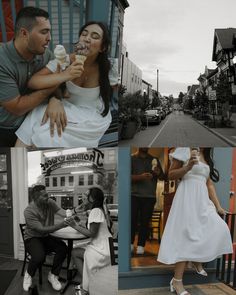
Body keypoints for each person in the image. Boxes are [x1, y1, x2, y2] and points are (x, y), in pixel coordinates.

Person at [15, 21, 118, 147]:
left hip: (92, 118)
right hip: (65, 108)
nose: (87, 39)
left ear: (103, 47)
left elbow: (114, 90)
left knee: (45, 129)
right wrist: (60, 86)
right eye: (84, 34)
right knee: (39, 116)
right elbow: (33, 82)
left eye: (95, 36)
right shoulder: (64, 60)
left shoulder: (109, 68)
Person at [157, 148, 233, 295]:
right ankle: (177, 282)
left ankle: (196, 260)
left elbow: (209, 184)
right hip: (186, 198)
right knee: (185, 237)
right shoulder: (184, 150)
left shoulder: (205, 154)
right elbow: (171, 175)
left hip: (202, 201)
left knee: (220, 227)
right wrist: (187, 167)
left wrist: (218, 206)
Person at [0, 6, 67, 147]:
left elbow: (59, 87)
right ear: (24, 33)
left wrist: (55, 99)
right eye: (44, 32)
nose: (49, 39)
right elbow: (17, 107)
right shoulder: (2, 60)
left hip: (34, 122)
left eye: (49, 32)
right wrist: (53, 85)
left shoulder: (46, 55)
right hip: (6, 128)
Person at [23, 184, 73, 292]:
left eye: (47, 194)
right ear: (36, 197)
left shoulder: (50, 202)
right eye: (45, 196)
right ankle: (29, 274)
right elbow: (41, 229)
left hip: (45, 237)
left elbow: (62, 213)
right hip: (32, 238)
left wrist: (75, 212)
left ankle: (53, 275)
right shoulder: (29, 211)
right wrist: (60, 225)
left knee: (63, 248)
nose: (48, 197)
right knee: (39, 256)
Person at [65, 187, 112, 295]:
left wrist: (74, 226)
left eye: (86, 195)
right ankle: (87, 282)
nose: (83, 197)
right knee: (75, 251)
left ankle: (87, 284)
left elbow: (92, 234)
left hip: (102, 248)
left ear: (92, 199)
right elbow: (92, 230)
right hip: (104, 244)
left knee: (75, 252)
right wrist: (79, 223)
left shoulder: (95, 211)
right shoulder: (96, 210)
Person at [131, 148, 166, 255]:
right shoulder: (131, 158)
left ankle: (141, 245)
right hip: (134, 195)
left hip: (150, 196)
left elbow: (163, 177)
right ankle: (130, 244)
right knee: (132, 221)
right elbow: (125, 177)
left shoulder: (154, 159)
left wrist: (159, 172)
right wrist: (140, 177)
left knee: (145, 222)